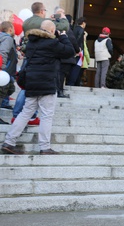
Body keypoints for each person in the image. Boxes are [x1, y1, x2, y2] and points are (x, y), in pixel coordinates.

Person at [1, 20, 74, 155]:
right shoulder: (53, 43)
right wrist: (63, 36)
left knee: (25, 113)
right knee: (47, 115)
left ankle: (9, 142)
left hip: (32, 82)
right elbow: (70, 51)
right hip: (47, 83)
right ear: (52, 31)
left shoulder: (31, 43)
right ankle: (44, 147)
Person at [0, 21, 17, 124]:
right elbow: (3, 52)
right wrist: (2, 69)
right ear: (10, 29)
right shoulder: (8, 38)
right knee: (6, 90)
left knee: (9, 89)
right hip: (4, 70)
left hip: (5, 70)